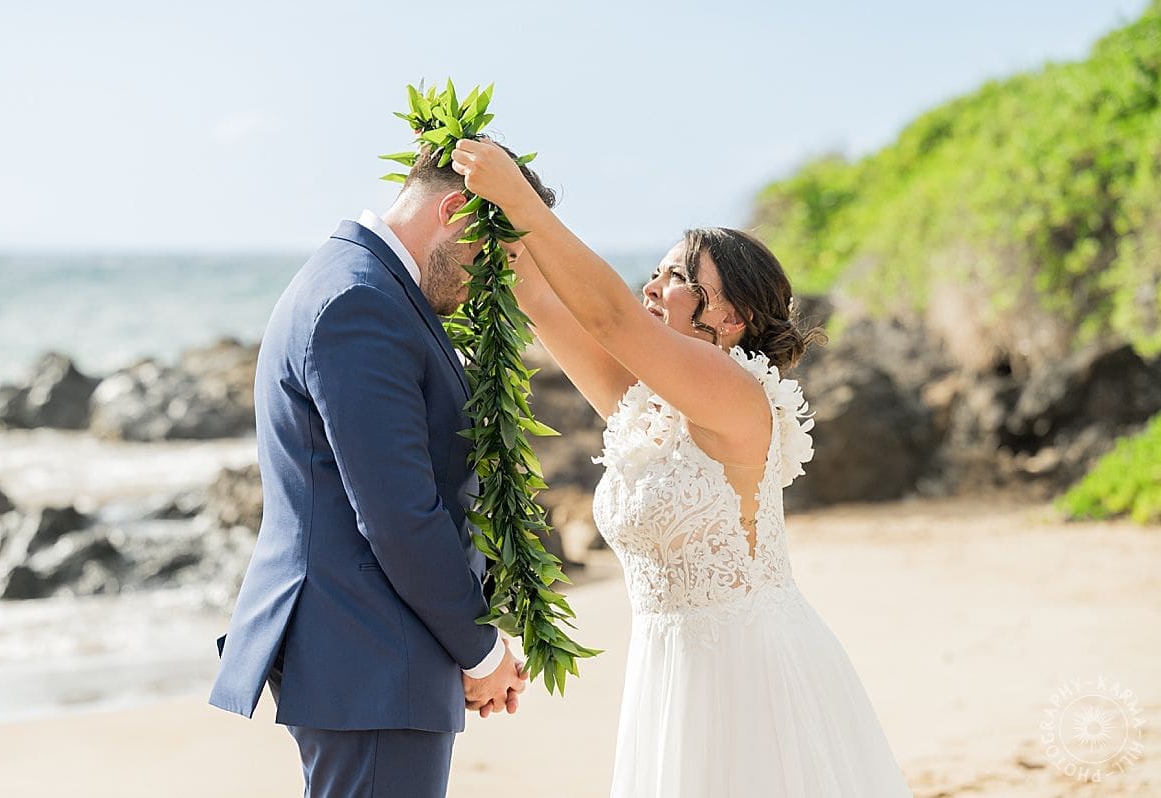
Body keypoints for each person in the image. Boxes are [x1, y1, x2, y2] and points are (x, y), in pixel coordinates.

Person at [450, 138, 911, 796]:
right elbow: (545, 303)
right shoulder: (648, 408)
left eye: (674, 277)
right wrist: (495, 214)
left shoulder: (737, 398)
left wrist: (521, 200)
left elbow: (610, 317)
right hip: (669, 675)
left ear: (726, 316)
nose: (651, 286)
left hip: (750, 675)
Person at [209, 144, 556, 797]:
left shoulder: (361, 282)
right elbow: (398, 513)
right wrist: (478, 650)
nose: (491, 283)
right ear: (457, 209)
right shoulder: (359, 301)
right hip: (369, 650)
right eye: (494, 257)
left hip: (373, 649)